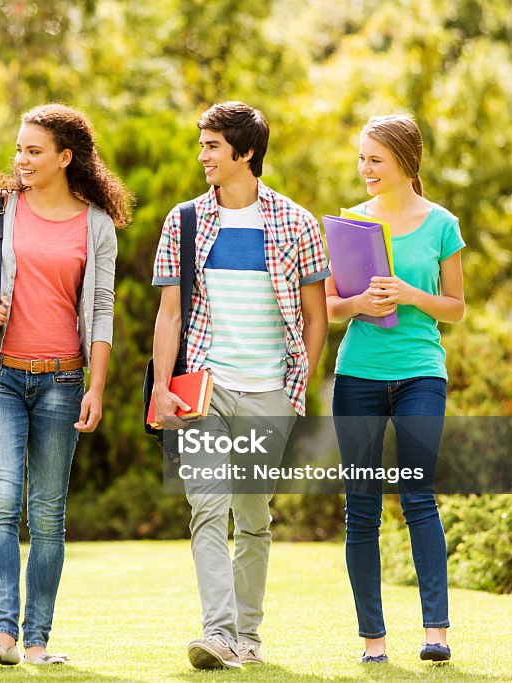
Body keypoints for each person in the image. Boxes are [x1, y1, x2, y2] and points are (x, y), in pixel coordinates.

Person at [151, 101, 330, 669]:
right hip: (205, 386)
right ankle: (219, 633)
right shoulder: (183, 221)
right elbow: (169, 314)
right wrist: (161, 386)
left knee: (253, 518)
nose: (202, 155)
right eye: (201, 144)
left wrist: (296, 390)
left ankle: (247, 639)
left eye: (211, 145)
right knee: (207, 508)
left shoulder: (297, 222)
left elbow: (315, 316)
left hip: (269, 391)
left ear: (245, 152)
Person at [0, 104, 132, 666]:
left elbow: (100, 312)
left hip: (61, 380)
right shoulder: (0, 210)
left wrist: (96, 387)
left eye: (34, 150)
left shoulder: (96, 225)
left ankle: (37, 643)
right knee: (2, 502)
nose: (22, 159)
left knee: (49, 513)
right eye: (19, 149)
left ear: (64, 157)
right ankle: (3, 636)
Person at [325, 114, 465, 664]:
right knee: (361, 509)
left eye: (374, 160)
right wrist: (359, 304)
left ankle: (436, 634)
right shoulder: (349, 224)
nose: (364, 169)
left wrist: (409, 293)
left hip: (420, 373)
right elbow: (331, 306)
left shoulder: (441, 225)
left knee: (418, 496)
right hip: (358, 373)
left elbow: (455, 307)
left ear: (405, 163)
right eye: (361, 158)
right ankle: (373, 643)